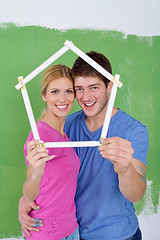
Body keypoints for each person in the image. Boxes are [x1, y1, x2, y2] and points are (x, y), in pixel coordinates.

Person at [18, 51, 148, 240]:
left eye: (94, 87)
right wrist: (26, 200)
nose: (86, 97)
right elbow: (48, 178)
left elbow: (137, 194)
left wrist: (125, 169)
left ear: (109, 86)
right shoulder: (66, 125)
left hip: (117, 235)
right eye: (79, 89)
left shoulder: (133, 130)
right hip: (74, 232)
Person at [21, 64, 80, 240]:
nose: (63, 98)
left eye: (68, 91)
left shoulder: (64, 132)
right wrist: (35, 174)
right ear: (44, 95)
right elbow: (30, 194)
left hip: (71, 229)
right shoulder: (39, 137)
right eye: (55, 92)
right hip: (46, 233)